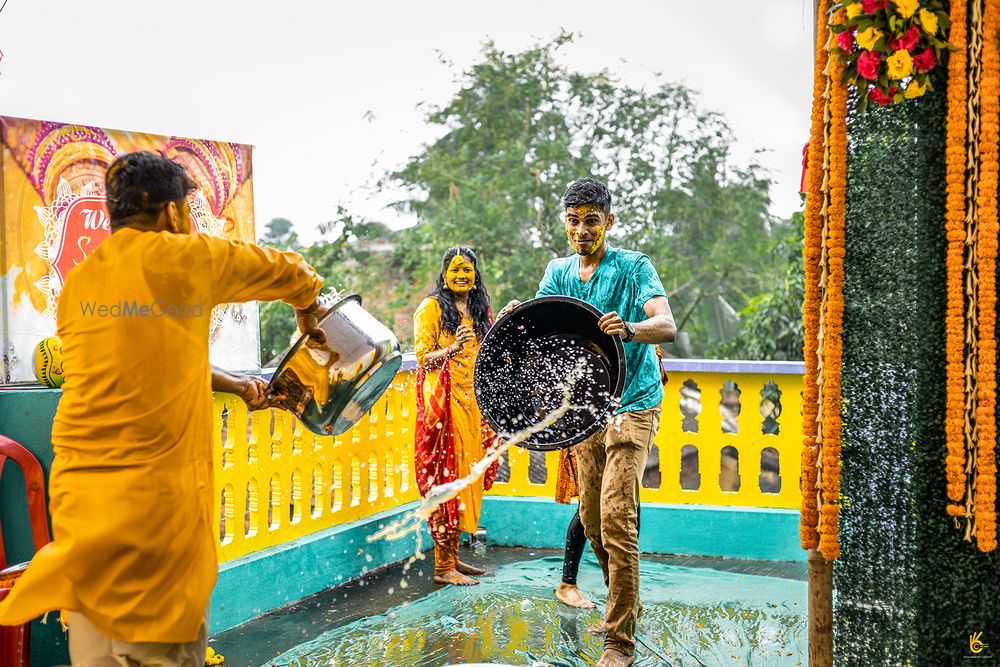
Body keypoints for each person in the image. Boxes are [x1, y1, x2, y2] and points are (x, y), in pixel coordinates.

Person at [0, 151, 327, 667]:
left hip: (83, 521)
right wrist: (310, 315)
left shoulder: (82, 283)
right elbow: (292, 272)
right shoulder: (186, 258)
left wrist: (239, 386)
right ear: (173, 214)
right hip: (155, 529)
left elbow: (150, 358)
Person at [500, 177, 676, 667]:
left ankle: (618, 641)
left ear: (609, 221)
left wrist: (633, 328)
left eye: (591, 221)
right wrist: (517, 315)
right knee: (594, 523)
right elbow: (539, 321)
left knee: (619, 520)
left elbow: (667, 324)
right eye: (574, 221)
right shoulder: (558, 271)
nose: (581, 230)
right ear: (565, 223)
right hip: (585, 411)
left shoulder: (634, 267)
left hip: (633, 404)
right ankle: (627, 604)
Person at [413, 246, 499, 586]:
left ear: (476, 276)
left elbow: (493, 348)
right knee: (446, 479)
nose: (462, 276)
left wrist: (506, 317)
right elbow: (423, 359)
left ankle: (454, 559)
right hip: (444, 407)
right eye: (456, 270)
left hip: (474, 406)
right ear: (445, 275)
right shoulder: (431, 308)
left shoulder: (480, 310)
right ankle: (441, 567)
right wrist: (452, 349)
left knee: (468, 479)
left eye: (468, 270)